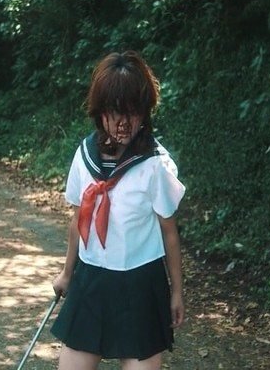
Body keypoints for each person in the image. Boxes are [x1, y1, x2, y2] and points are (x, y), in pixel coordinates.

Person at [50, 51, 186, 370]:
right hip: (92, 277)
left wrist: (177, 291)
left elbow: (169, 231)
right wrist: (67, 273)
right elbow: (77, 218)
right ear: (100, 112)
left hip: (140, 283)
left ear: (145, 112)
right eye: (115, 111)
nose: (124, 123)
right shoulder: (85, 155)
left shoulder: (155, 165)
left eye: (133, 111)